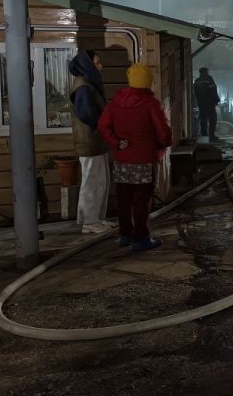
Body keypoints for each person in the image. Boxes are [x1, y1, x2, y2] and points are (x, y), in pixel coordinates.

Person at [98, 63, 172, 251]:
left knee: (124, 199)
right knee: (141, 201)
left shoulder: (115, 102)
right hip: (143, 161)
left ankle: (125, 235)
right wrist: (164, 142)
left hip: (122, 160)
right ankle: (141, 238)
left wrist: (116, 142)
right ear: (147, 81)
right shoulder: (150, 104)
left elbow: (103, 126)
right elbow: (162, 132)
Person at [68, 50, 111, 234]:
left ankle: (97, 218)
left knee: (100, 180)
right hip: (90, 141)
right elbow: (87, 113)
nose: (100, 66)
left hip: (95, 141)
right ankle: (89, 221)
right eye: (97, 62)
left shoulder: (87, 84)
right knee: (92, 181)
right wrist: (101, 124)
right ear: (88, 65)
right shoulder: (84, 87)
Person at [193, 67, 220, 141]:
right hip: (209, 103)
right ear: (205, 72)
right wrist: (216, 100)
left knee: (203, 119)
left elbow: (195, 93)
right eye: (207, 72)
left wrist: (197, 102)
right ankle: (211, 135)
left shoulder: (197, 81)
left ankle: (204, 135)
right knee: (213, 119)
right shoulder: (209, 79)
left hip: (201, 104)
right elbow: (213, 90)